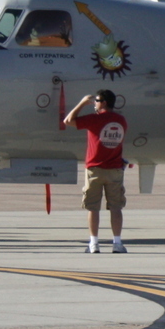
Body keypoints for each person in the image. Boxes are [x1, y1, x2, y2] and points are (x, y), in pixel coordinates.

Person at [63, 89, 128, 252]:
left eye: (96, 101)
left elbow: (68, 120)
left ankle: (94, 242)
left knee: (93, 207)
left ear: (104, 102)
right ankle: (117, 243)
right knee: (116, 207)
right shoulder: (121, 120)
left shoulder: (95, 119)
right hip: (115, 170)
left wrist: (82, 103)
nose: (95, 104)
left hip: (95, 169)